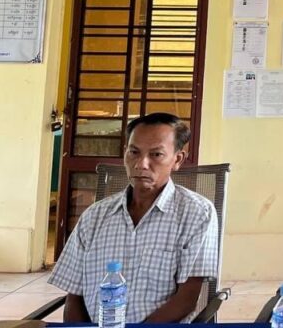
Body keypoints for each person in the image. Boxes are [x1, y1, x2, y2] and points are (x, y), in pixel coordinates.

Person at [49, 112, 218, 323]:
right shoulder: (94, 217)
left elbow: (187, 300)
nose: (141, 164)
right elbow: (75, 296)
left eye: (156, 154)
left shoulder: (197, 214)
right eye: (134, 152)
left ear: (177, 159)